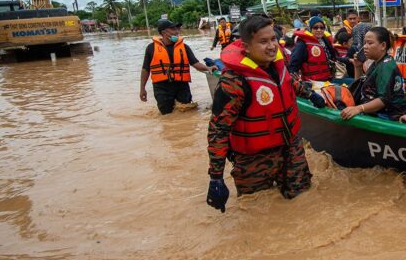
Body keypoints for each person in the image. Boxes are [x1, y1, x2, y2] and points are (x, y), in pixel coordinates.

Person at [205, 16, 312, 213]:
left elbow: (288, 83)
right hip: (254, 159)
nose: (272, 46)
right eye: (263, 42)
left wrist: (311, 94)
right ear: (245, 47)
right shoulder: (233, 81)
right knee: (257, 211)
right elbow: (218, 130)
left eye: (273, 39)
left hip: (291, 148)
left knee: (302, 201)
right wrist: (216, 176)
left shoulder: (277, 64)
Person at [140, 19, 211, 114]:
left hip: (181, 85)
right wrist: (142, 88)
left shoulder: (184, 47)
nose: (177, 32)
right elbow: (145, 69)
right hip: (161, 87)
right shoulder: (151, 48)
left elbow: (195, 64)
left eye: (177, 29)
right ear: (164, 32)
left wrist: (208, 68)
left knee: (187, 111)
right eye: (173, 29)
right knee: (166, 115)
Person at [340, 27, 406, 121]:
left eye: (370, 43)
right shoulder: (377, 62)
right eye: (365, 43)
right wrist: (358, 66)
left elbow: (383, 100)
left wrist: (359, 108)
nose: (365, 47)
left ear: (383, 45)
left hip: (387, 118)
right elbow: (359, 84)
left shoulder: (386, 66)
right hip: (375, 113)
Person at [288, 16, 338, 82]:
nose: (319, 30)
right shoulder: (302, 44)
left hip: (328, 79)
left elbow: (333, 57)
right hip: (312, 83)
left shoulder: (325, 40)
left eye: (322, 27)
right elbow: (294, 63)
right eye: (315, 27)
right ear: (310, 28)